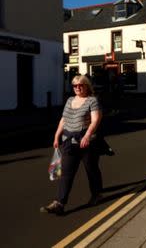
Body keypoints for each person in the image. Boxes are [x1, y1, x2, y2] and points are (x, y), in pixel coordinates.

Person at [41, 75, 103, 215]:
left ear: (86, 86)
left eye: (80, 85)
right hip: (69, 141)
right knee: (66, 174)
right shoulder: (70, 100)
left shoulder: (92, 101)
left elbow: (95, 120)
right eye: (74, 85)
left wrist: (87, 135)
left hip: (87, 142)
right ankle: (59, 203)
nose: (77, 88)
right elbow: (63, 120)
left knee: (91, 170)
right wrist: (57, 136)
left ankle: (97, 194)